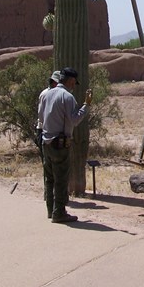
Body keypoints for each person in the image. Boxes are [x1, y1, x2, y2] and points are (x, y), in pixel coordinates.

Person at [37, 67, 93, 223]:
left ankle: (51, 210)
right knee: (61, 178)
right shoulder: (67, 97)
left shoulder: (46, 94)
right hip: (60, 144)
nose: (74, 86)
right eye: (74, 83)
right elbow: (74, 120)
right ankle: (59, 213)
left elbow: (41, 117)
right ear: (70, 81)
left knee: (50, 178)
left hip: (46, 141)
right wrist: (86, 105)